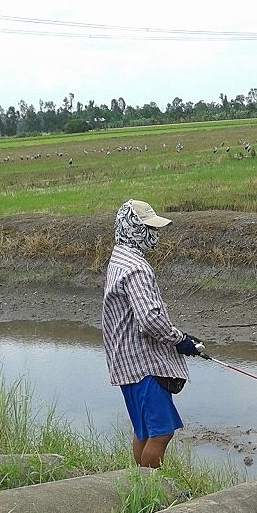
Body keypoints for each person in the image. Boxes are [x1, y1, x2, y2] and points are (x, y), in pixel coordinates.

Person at [102, 198, 208, 468]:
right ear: (134, 229)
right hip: (143, 363)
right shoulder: (135, 268)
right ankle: (153, 492)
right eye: (149, 228)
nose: (155, 235)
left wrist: (181, 338)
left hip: (126, 362)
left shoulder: (119, 258)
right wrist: (181, 340)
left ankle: (138, 486)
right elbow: (149, 320)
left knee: (145, 432)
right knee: (161, 433)